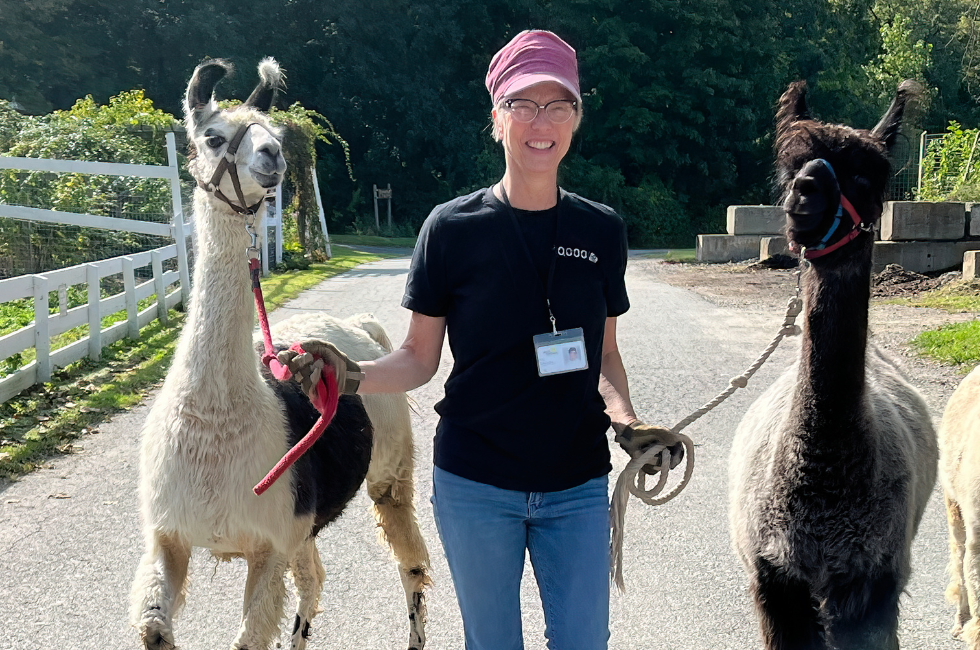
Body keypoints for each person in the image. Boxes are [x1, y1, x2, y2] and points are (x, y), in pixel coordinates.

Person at [282, 29, 685, 650]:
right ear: (497, 117)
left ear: (577, 117)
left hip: (576, 482)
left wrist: (627, 422)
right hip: (476, 485)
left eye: (558, 104)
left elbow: (603, 353)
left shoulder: (601, 231)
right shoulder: (451, 230)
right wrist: (352, 373)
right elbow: (419, 358)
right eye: (523, 104)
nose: (540, 121)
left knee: (585, 642)